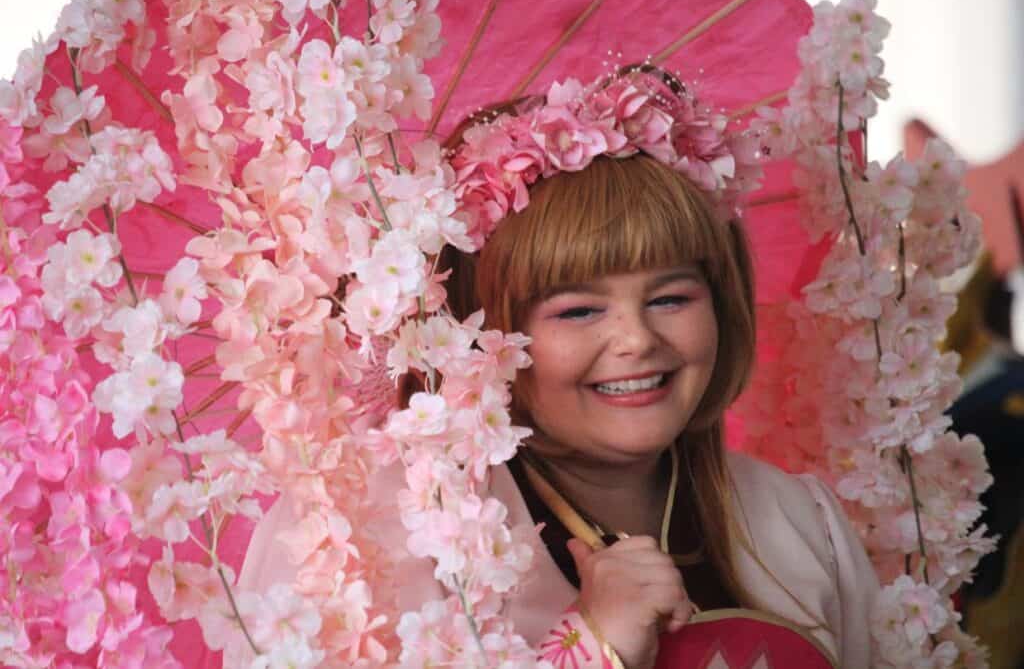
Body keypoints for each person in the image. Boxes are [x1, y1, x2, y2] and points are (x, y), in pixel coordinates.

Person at [232, 70, 879, 668]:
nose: (635, 339)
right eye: (577, 310)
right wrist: (589, 645)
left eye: (671, 297)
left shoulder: (799, 522)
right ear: (479, 333)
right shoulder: (364, 546)